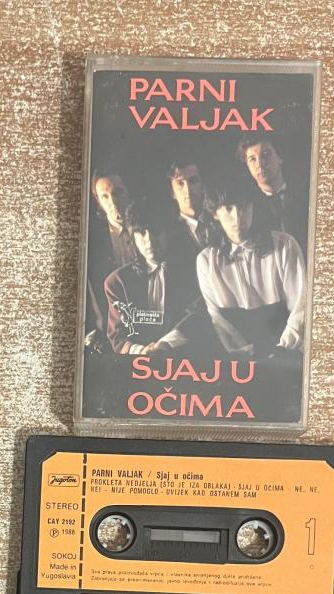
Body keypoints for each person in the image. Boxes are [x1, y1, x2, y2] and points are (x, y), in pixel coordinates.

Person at [198, 175, 307, 421]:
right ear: (214, 214)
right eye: (228, 208)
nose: (238, 217)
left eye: (244, 206)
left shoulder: (284, 246)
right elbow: (217, 318)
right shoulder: (206, 260)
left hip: (285, 354)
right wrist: (244, 356)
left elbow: (301, 307)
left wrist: (281, 349)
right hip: (240, 363)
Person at [104, 197, 198, 355]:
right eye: (141, 233)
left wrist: (165, 344)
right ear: (132, 237)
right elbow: (118, 336)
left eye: (156, 231)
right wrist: (142, 351)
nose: (149, 241)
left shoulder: (191, 271)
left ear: (169, 232)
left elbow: (196, 316)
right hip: (135, 362)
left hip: (183, 357)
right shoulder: (117, 282)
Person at [85, 167, 137, 352]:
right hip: (114, 332)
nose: (113, 202)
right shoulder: (92, 241)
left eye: (118, 192)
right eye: (105, 196)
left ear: (129, 191)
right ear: (98, 201)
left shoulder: (151, 228)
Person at [237, 135, 309, 256]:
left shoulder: (306, 194)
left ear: (280, 157)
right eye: (252, 159)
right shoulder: (248, 208)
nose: (260, 164)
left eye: (266, 155)